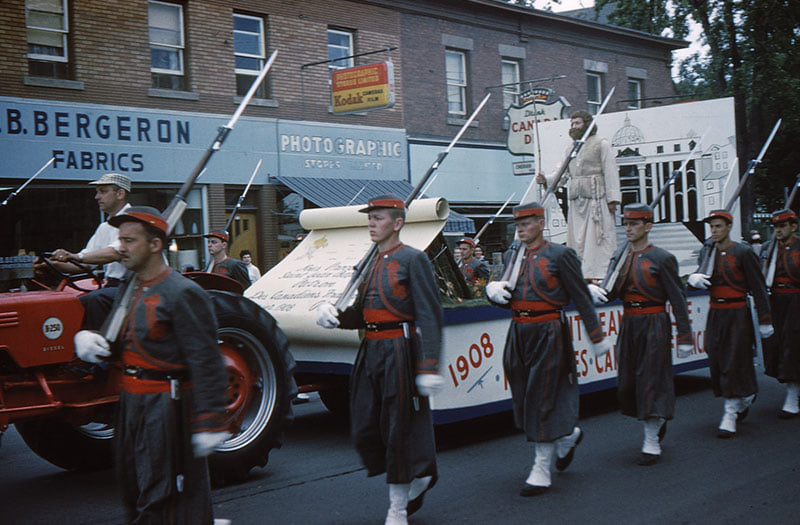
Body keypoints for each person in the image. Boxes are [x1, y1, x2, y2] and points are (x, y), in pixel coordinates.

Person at [72, 206, 229, 523]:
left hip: (166, 405)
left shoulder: (183, 292)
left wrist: (211, 420)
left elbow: (207, 361)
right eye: (120, 240)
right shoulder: (130, 286)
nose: (120, 248)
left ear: (155, 245)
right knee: (133, 488)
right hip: (131, 403)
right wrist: (94, 342)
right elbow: (123, 340)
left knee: (162, 498)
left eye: (129, 241)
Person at [315, 195, 443, 525]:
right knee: (363, 425)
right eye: (370, 217)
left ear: (397, 223)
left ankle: (397, 507)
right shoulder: (371, 261)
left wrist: (428, 365)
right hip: (370, 350)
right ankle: (418, 473)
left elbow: (430, 314)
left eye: (378, 218)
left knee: (398, 428)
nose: (371, 222)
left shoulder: (413, 260)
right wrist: (337, 317)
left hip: (399, 349)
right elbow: (362, 313)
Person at [485, 201, 612, 496]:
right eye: (518, 225)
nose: (521, 229)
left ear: (541, 223)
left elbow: (580, 297)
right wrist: (493, 291)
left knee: (543, 395)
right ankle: (567, 435)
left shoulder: (561, 255)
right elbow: (507, 292)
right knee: (523, 393)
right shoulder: (512, 255)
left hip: (548, 331)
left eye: (527, 223)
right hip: (518, 331)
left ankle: (541, 468)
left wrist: (596, 336)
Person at [588, 203, 694, 465]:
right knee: (628, 384)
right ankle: (655, 420)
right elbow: (611, 291)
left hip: (654, 322)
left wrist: (684, 336)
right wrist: (594, 291)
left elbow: (678, 299)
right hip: (629, 323)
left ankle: (650, 439)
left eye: (634, 224)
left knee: (652, 380)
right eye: (626, 223)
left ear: (648, 226)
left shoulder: (662, 258)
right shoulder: (620, 255)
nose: (629, 228)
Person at [688, 209, 773, 438]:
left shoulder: (743, 252)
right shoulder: (707, 251)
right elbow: (701, 274)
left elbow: (758, 287)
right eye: (712, 227)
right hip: (716, 311)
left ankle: (730, 411)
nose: (714, 231)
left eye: (718, 226)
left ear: (728, 227)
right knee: (715, 355)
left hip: (737, 311)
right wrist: (694, 278)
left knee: (735, 357)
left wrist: (765, 319)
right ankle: (743, 394)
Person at [535, 109, 621, 281]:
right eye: (572, 123)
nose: (574, 127)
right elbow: (562, 173)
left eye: (577, 123)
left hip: (596, 199)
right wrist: (546, 180)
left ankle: (600, 274)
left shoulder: (601, 144)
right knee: (578, 239)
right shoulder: (570, 149)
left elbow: (610, 171)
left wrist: (613, 199)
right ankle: (582, 274)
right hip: (576, 202)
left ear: (587, 124)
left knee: (597, 237)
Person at [39, 173, 132, 329]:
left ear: (120, 193)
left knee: (95, 299)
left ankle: (99, 348)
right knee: (74, 301)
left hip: (135, 286)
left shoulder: (133, 220)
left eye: (103, 191)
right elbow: (84, 264)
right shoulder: (105, 227)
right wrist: (49, 265)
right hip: (115, 287)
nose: (97, 197)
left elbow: (115, 253)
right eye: (97, 192)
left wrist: (74, 256)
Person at [759, 209, 800, 418]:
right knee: (777, 346)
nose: (778, 231)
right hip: (775, 302)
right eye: (775, 227)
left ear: (793, 227)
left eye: (782, 226)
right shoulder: (767, 249)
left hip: (796, 302)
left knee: (793, 347)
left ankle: (793, 395)